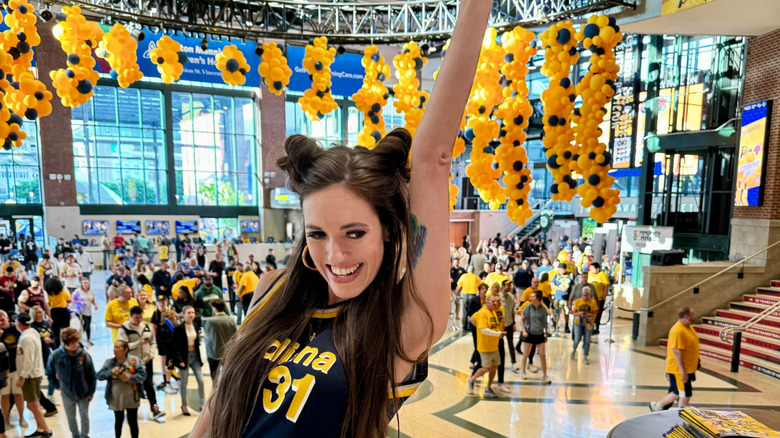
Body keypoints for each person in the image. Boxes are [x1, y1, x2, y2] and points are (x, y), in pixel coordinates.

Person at [193, 3, 491, 435]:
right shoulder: (273, 289)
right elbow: (218, 405)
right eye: (318, 234)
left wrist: (474, 9)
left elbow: (432, 158)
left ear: (388, 231)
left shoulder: (402, 322)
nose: (335, 254)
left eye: (354, 232)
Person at [47, 328, 96, 438]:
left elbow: (91, 374)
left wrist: (91, 392)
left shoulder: (83, 355)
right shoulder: (56, 356)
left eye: (77, 342)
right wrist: (57, 386)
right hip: (67, 392)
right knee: (71, 417)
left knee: (84, 416)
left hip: (83, 391)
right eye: (73, 343)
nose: (76, 345)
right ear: (66, 343)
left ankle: (85, 435)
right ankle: (75, 435)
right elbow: (49, 373)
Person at [649, 307, 700, 412]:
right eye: (693, 315)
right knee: (685, 394)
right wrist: (683, 371)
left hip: (687, 368)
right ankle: (680, 415)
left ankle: (658, 406)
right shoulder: (678, 330)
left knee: (677, 392)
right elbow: (677, 352)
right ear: (686, 317)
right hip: (679, 369)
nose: (695, 317)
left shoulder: (688, 327)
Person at [117, 306, 164, 419]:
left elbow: (152, 341)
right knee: (133, 386)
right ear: (131, 316)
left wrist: (152, 353)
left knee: (148, 384)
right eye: (136, 318)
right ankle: (130, 410)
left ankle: (155, 409)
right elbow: (122, 346)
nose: (139, 320)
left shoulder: (145, 326)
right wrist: (138, 343)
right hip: (132, 363)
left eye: (141, 317)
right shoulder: (124, 329)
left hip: (147, 360)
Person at [97, 340, 146, 438]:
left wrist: (130, 378)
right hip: (116, 398)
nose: (115, 349)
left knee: (133, 421)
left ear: (125, 349)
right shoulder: (110, 362)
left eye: (118, 347)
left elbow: (143, 375)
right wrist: (110, 372)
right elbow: (99, 375)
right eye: (114, 347)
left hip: (132, 396)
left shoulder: (134, 361)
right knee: (118, 420)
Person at [16, 313, 53, 437]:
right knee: (32, 404)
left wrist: (22, 377)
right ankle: (40, 428)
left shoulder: (27, 338)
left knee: (34, 404)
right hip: (33, 374)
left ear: (19, 323)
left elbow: (28, 359)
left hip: (30, 376)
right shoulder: (32, 334)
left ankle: (46, 430)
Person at [466, 293, 505, 398]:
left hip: (494, 346)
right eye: (493, 301)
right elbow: (483, 329)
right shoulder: (483, 312)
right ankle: (471, 380)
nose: (496, 303)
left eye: (497, 301)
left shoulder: (494, 313)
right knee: (486, 367)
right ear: (487, 302)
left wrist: (499, 333)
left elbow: (494, 327)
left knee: (494, 367)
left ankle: (489, 388)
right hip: (485, 346)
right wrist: (498, 334)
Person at [169, 306, 204, 416]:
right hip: (184, 357)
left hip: (195, 356)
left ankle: (202, 403)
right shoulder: (179, 328)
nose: (191, 315)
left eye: (193, 312)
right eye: (188, 313)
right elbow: (174, 345)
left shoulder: (195, 325)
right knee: (183, 383)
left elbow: (197, 341)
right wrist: (179, 360)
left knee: (201, 380)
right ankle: (184, 404)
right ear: (183, 314)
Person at [30, 306, 59, 414]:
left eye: (41, 312)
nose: (40, 314)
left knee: (52, 374)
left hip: (47, 354)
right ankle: (41, 400)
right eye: (38, 312)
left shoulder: (46, 323)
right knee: (39, 378)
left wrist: (56, 351)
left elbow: (52, 338)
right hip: (37, 356)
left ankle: (50, 395)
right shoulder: (31, 327)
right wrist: (42, 340)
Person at [0, 311, 26, 430]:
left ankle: (21, 418)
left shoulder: (16, 329)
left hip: (17, 368)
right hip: (2, 370)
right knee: (5, 396)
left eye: (3, 319)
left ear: (7, 318)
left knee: (19, 394)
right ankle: (6, 420)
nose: (1, 322)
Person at [518, 291, 551, 384]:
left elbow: (545, 322)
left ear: (538, 298)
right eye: (531, 296)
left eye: (533, 297)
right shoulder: (527, 307)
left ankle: (545, 375)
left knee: (542, 355)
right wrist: (524, 331)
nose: (531, 298)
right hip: (529, 333)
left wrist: (546, 333)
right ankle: (523, 371)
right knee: (526, 353)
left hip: (539, 334)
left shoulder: (543, 309)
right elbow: (522, 320)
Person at [202, 299, 237, 382]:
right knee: (227, 376)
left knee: (214, 378)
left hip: (214, 354)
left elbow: (207, 338)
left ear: (214, 308)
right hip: (227, 353)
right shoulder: (230, 320)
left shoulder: (211, 321)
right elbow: (235, 336)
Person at [570, 286, 598, 365]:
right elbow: (574, 313)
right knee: (577, 338)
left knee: (587, 339)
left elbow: (595, 314)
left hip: (588, 323)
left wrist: (588, 315)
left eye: (586, 295)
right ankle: (574, 349)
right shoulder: (578, 301)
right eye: (583, 295)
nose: (585, 296)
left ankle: (585, 356)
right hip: (578, 322)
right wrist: (579, 313)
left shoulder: (592, 302)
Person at [44, 277, 71, 348]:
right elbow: (69, 299)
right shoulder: (63, 291)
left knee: (55, 332)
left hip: (54, 312)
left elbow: (48, 303)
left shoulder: (49, 293)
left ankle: (56, 347)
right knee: (66, 331)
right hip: (63, 311)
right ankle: (67, 345)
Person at [72, 278, 97, 347]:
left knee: (88, 325)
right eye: (84, 283)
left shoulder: (91, 292)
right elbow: (73, 299)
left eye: (87, 283)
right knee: (85, 325)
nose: (86, 285)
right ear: (82, 284)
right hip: (80, 311)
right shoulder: (78, 291)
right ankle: (79, 336)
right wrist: (80, 302)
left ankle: (88, 339)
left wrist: (95, 305)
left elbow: (92, 299)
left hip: (88, 311)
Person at [550, 264, 574, 334]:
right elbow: (552, 284)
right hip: (558, 297)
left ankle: (566, 325)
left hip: (567, 297)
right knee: (557, 312)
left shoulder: (571, 275)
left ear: (565, 269)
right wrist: (560, 288)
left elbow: (574, 284)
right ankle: (557, 326)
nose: (560, 271)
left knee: (566, 312)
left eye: (562, 270)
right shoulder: (556, 275)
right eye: (559, 270)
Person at [499, 279, 517, 373]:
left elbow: (512, 311)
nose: (510, 287)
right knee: (499, 345)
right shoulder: (498, 297)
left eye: (510, 285)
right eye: (508, 285)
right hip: (500, 325)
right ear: (503, 286)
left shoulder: (511, 297)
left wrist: (514, 323)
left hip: (509, 324)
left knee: (511, 343)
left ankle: (514, 362)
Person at [588, 262, 610, 334]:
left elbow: (606, 286)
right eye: (590, 268)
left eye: (592, 268)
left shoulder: (602, 275)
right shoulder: (589, 274)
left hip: (599, 298)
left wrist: (604, 296)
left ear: (597, 269)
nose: (591, 269)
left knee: (598, 313)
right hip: (590, 298)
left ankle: (596, 327)